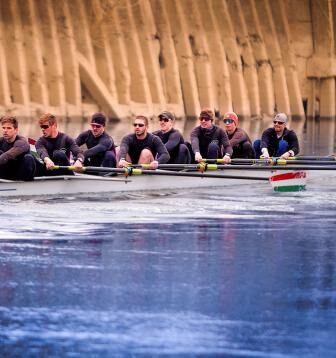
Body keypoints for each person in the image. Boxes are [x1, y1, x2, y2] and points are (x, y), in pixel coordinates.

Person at [0, 116, 36, 181]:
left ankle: (25, 186)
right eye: (3, 128)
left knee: (28, 158)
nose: (5, 131)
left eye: (9, 128)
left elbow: (8, 155)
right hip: (7, 174)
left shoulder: (22, 142)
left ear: (16, 130)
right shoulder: (1, 141)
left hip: (22, 175)